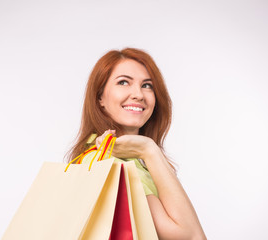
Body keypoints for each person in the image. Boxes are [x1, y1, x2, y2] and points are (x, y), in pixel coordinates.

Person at [68, 48, 206, 240]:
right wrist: (149, 150)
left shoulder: (94, 156)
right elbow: (191, 237)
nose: (138, 94)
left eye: (147, 86)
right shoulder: (116, 165)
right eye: (123, 82)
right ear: (100, 97)